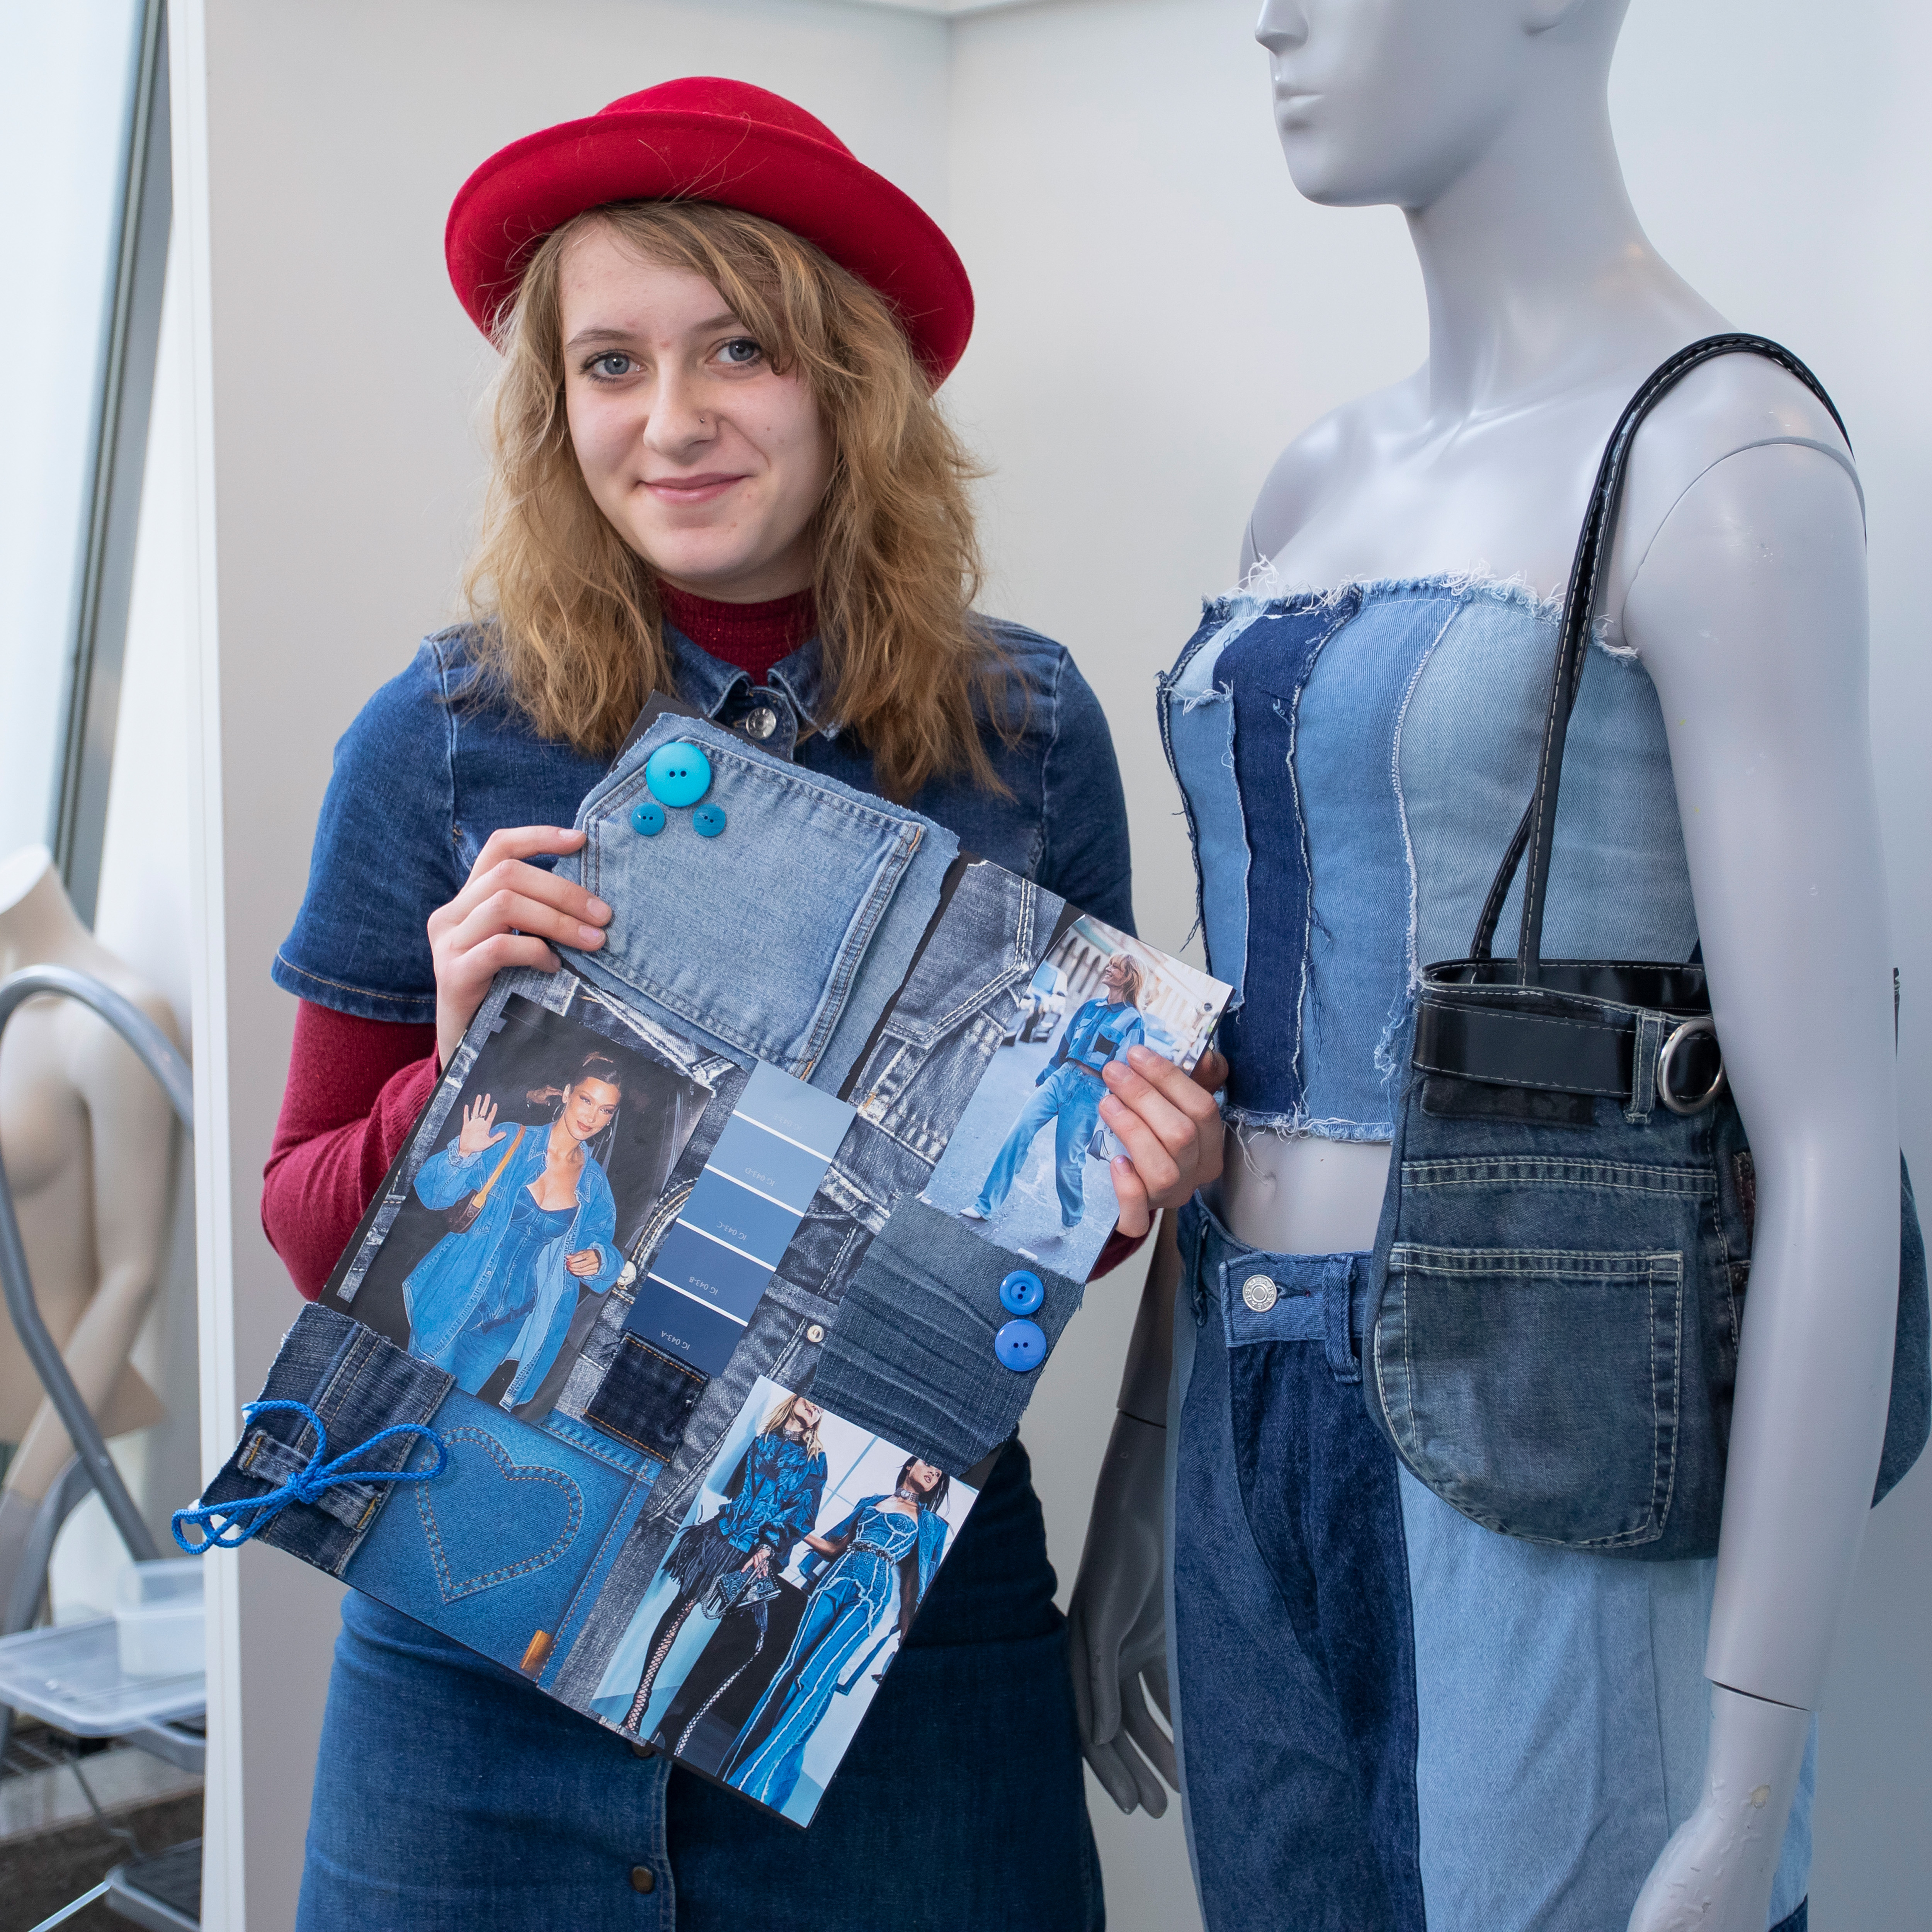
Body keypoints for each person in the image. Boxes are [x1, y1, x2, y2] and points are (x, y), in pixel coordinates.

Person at [260, 77, 1215, 1932]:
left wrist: (1128, 1175)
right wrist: (456, 1078)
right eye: (609, 365)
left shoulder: (1023, 732)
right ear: (557, 410)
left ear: (845, 381)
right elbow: (313, 1217)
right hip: (477, 1630)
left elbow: (1024, 1255)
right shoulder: (440, 736)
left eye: (739, 353)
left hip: (888, 1648)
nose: (672, 420)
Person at [1070, 7, 1903, 1931]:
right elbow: (1224, 1053)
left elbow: (1828, 1144)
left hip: (1540, 1412)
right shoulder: (1310, 485)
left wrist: (1752, 1757)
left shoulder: (1720, 454)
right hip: (1235, 1399)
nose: (1270, 17)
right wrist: (1141, 1489)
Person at [719, 1458, 951, 1815]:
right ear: (909, 1465)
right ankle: (742, 1771)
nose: (935, 1472)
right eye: (931, 1464)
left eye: (940, 1474)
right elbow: (833, 1548)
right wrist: (792, 1525)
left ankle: (752, 1781)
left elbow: (911, 1591)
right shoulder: (870, 1503)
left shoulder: (932, 1525)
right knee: (790, 1671)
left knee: (814, 1682)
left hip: (871, 1594)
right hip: (833, 1582)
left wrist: (904, 1647)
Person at [403, 1051, 624, 1400]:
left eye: (605, 1110)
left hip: (508, 1321)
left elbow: (605, 1253)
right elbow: (432, 1195)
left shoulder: (594, 1185)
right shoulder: (512, 1139)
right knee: (414, 1399)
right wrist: (461, 1152)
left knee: (450, 1415)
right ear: (567, 1094)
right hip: (457, 1293)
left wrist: (600, 1259)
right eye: (586, 1100)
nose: (592, 1116)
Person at [607, 1394, 828, 1736]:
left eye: (821, 1409)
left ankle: (683, 1722)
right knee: (680, 1611)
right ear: (794, 1400)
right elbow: (737, 1488)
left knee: (749, 1641)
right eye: (812, 1401)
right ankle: (640, 1702)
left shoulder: (815, 1459)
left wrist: (769, 1546)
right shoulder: (762, 1439)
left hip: (757, 1553)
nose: (817, 1407)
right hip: (722, 1539)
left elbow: (802, 1513)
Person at [965, 952, 1145, 1233]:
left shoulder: (1133, 1021)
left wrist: (1115, 1109)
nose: (1108, 969)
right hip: (1061, 1078)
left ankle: (1073, 1214)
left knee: (1067, 1165)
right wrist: (1048, 1075)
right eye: (1109, 964)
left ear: (1129, 977)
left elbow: (1125, 1072)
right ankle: (985, 1205)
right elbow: (1065, 1043)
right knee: (1020, 1131)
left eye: (1115, 967)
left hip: (1090, 1092)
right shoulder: (1090, 1007)